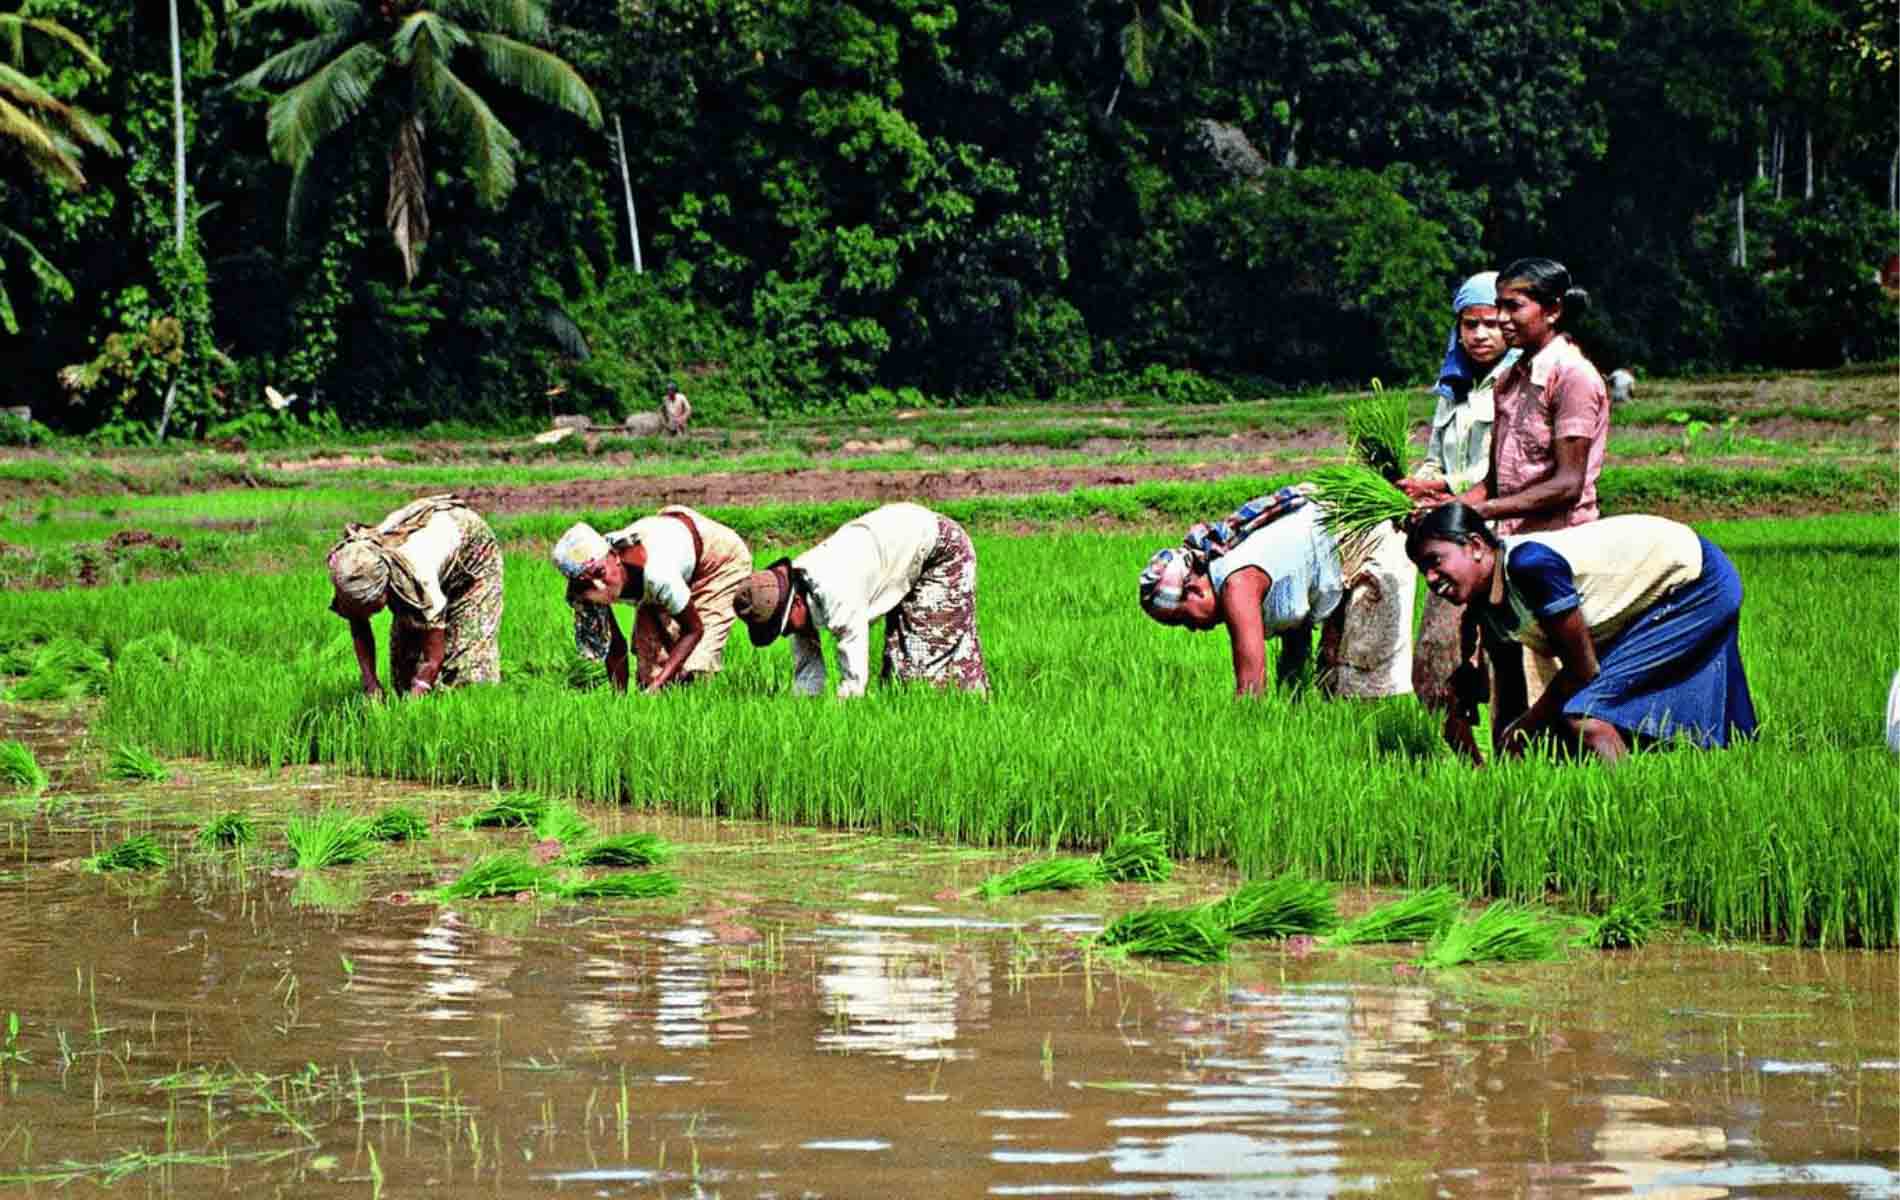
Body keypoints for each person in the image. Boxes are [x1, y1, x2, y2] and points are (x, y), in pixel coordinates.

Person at [1405, 502, 1756, 766]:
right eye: (1424, 571)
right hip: (1653, 597)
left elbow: (1582, 669)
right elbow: (1511, 697)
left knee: (1585, 715)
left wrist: (1527, 727)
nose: (1431, 579)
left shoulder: (1530, 566)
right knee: (1564, 724)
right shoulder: (1487, 604)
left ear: (1476, 546)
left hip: (1694, 583)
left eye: (1436, 561)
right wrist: (1504, 755)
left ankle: (1629, 816)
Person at [1138, 485, 1416, 699]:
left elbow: (1251, 691)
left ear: (1196, 590)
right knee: (1330, 684)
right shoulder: (1231, 573)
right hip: (1339, 550)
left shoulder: (1237, 585)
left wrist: (1235, 742)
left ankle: (1378, 753)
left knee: (1362, 686)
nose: (1192, 629)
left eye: (1185, 620)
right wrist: (1291, 697)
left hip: (1368, 540)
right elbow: (1296, 636)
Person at [1397, 271, 1519, 709]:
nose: (1481, 334)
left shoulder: (1517, 385)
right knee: (1439, 651)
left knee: (1507, 653)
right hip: (1449, 537)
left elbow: (1504, 470)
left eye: (1490, 323)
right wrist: (1419, 485)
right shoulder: (1452, 389)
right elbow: (1435, 455)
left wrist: (1444, 488)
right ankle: (1457, 755)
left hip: (1497, 535)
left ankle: (1513, 753)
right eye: (1471, 325)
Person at [731, 501, 988, 698]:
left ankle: (972, 711)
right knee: (897, 680)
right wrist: (802, 714)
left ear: (796, 603)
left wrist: (844, 723)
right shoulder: (791, 593)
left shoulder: (835, 591)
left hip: (939, 549)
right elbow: (808, 668)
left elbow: (854, 679)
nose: (786, 633)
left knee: (922, 673)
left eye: (783, 626)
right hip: (898, 546)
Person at [551, 506, 752, 693]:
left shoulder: (657, 573)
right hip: (672, 553)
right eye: (587, 584)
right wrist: (618, 702)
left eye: (600, 573)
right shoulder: (585, 591)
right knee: (650, 671)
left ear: (614, 555)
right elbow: (615, 646)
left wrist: (655, 687)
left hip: (718, 560)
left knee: (695, 666)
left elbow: (694, 629)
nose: (599, 586)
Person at [326, 494, 503, 699]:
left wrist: (416, 699)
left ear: (385, 590)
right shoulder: (351, 567)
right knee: (404, 675)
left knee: (467, 672)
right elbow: (358, 623)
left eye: (372, 608)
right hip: (429, 553)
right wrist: (370, 682)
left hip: (471, 552)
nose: (368, 616)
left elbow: (432, 659)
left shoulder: (419, 577)